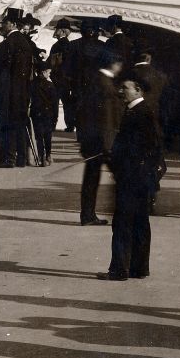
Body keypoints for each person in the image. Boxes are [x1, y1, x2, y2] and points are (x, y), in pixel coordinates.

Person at [98, 72, 165, 281]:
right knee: (139, 222)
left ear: (138, 90)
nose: (121, 91)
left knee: (123, 224)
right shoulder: (140, 110)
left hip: (132, 178)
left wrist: (115, 158)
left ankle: (119, 270)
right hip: (141, 178)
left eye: (125, 88)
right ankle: (138, 268)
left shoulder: (140, 113)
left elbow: (142, 149)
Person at [76, 50, 124, 226]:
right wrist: (108, 145)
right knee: (122, 177)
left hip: (92, 140)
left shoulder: (94, 81)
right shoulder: (106, 85)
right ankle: (122, 215)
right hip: (104, 143)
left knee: (91, 178)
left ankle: (87, 215)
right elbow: (106, 119)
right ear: (113, 64)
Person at [0, 13, 38, 167]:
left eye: (4, 22)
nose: (1, 26)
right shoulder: (24, 41)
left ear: (13, 24)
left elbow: (2, 71)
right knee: (19, 124)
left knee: (6, 123)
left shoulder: (6, 44)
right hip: (21, 91)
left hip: (8, 92)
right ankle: (20, 159)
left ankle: (7, 159)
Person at [27, 17, 59, 166]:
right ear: (44, 72)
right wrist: (55, 118)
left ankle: (41, 157)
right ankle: (48, 156)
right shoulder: (51, 86)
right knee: (48, 137)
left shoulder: (32, 84)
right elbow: (55, 103)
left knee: (39, 137)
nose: (49, 73)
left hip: (37, 114)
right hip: (48, 114)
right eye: (48, 72)